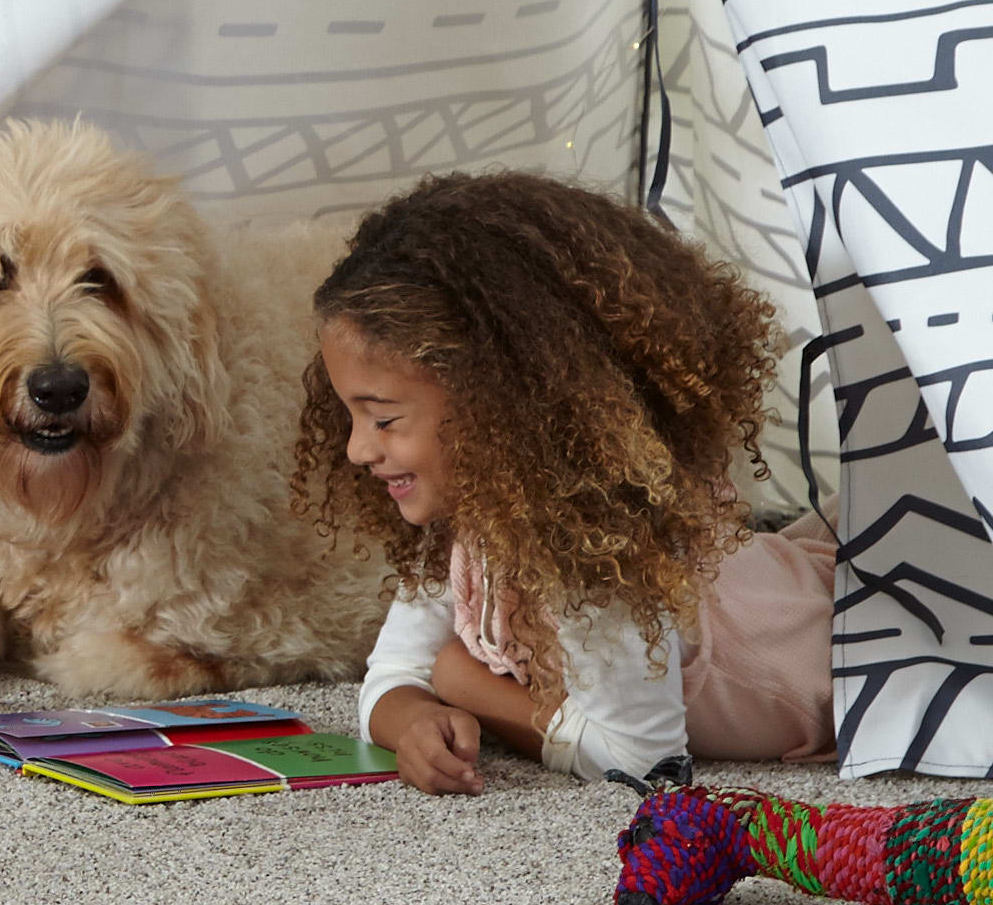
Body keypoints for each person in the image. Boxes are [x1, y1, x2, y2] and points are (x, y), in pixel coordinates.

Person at [310, 172, 834, 796]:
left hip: (836, 650)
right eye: (351, 417)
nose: (356, 449)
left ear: (497, 406)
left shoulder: (598, 548)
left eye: (383, 420)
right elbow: (394, 670)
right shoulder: (475, 517)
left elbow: (644, 761)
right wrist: (414, 719)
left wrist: (462, 684)